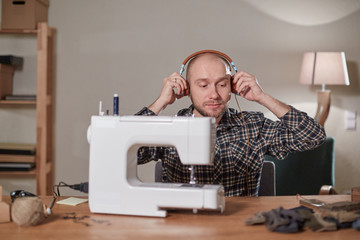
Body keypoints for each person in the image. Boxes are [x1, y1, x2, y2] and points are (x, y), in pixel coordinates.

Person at [136, 51, 326, 197]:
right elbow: (127, 153)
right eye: (203, 85)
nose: (214, 95)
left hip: (240, 226)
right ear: (187, 89)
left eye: (222, 84)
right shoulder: (169, 127)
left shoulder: (253, 126)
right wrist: (160, 102)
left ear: (233, 86)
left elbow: (313, 136)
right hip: (184, 225)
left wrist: (262, 97)